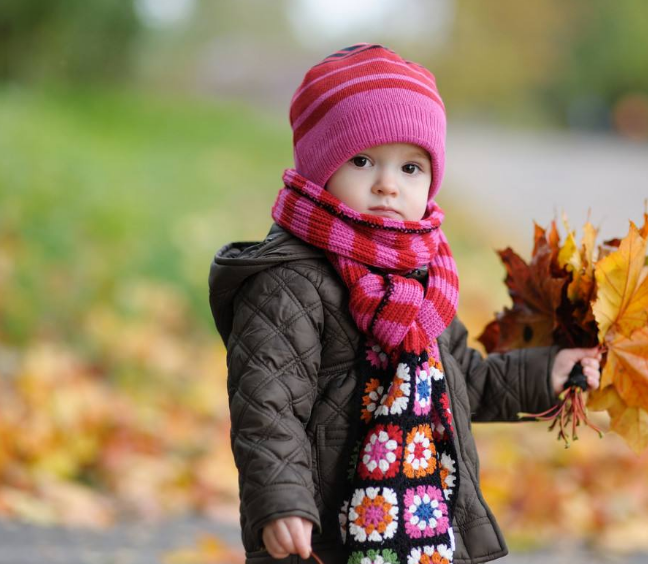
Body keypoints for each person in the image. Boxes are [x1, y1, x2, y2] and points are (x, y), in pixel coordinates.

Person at [208, 44, 602, 564]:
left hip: (422, 524)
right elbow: (268, 405)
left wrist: (545, 372)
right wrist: (281, 502)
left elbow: (465, 379)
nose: (388, 185)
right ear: (319, 168)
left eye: (411, 167)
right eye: (363, 160)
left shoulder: (423, 280)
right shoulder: (289, 281)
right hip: (328, 530)